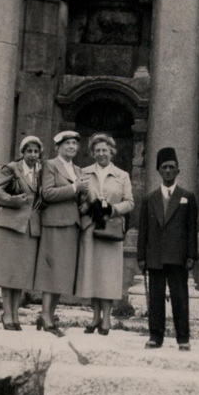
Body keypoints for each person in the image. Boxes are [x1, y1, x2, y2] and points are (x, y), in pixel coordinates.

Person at [137, 147, 198, 350]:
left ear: (178, 171)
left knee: (180, 297)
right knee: (155, 298)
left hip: (178, 256)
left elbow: (192, 229)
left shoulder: (187, 197)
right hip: (154, 255)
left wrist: (191, 255)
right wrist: (141, 256)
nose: (169, 171)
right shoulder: (149, 199)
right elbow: (143, 229)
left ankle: (183, 338)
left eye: (172, 167)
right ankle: (155, 336)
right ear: (158, 171)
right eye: (164, 167)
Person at [75, 133, 134, 335]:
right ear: (92, 152)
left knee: (108, 274)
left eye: (105, 150)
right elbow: (79, 199)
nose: (101, 154)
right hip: (91, 228)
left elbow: (130, 202)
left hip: (111, 229)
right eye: (97, 150)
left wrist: (112, 209)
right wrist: (86, 205)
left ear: (112, 152)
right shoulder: (84, 173)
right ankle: (94, 317)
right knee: (92, 272)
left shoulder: (122, 175)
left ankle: (107, 319)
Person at [34, 130, 89, 336]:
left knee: (62, 273)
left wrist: (84, 196)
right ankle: (45, 316)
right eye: (67, 144)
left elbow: (79, 196)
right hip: (55, 223)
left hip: (71, 224)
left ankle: (49, 315)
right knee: (52, 271)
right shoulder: (50, 165)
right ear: (58, 147)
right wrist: (75, 187)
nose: (72, 147)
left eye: (75, 143)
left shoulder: (78, 169)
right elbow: (47, 193)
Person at [0, 135, 43, 330]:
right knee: (8, 271)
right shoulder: (12, 168)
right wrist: (14, 200)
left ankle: (16, 314)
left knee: (21, 272)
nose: (32, 155)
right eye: (29, 151)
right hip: (11, 225)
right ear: (22, 153)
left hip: (30, 227)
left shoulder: (41, 171)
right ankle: (7, 313)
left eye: (35, 151)